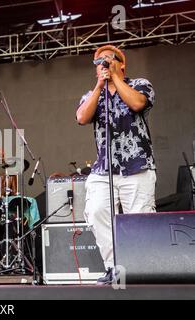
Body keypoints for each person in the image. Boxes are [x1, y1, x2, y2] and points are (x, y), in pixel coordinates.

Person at [76, 45, 156, 285]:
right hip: (104, 169)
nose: (104, 63)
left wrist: (117, 80)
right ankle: (114, 269)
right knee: (97, 210)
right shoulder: (92, 94)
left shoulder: (140, 84)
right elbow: (81, 117)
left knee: (139, 219)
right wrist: (101, 86)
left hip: (137, 166)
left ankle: (140, 270)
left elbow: (137, 104)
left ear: (122, 64)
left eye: (110, 60)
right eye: (100, 62)